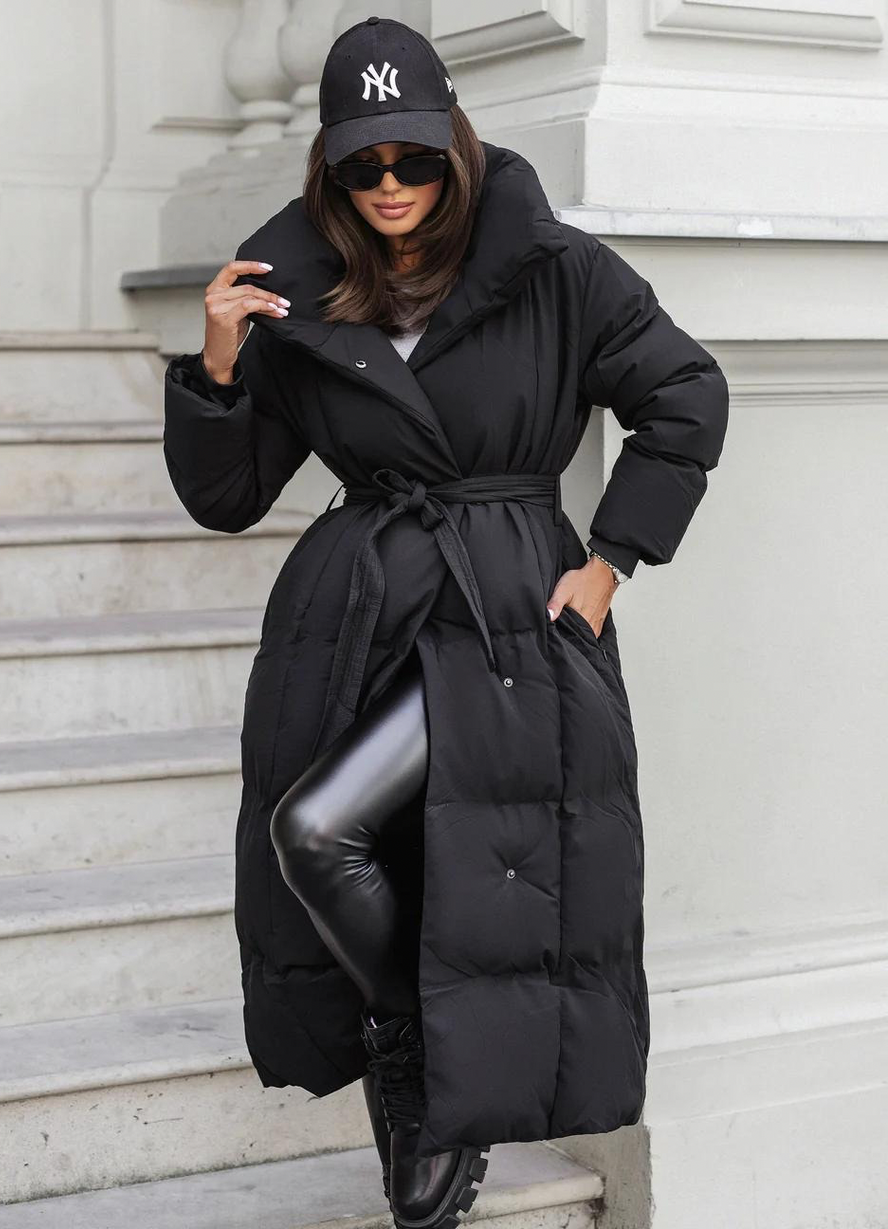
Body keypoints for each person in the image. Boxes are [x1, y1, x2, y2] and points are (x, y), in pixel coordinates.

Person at [163, 16, 729, 1229]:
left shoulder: (555, 267)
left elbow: (684, 393)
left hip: (506, 604)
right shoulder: (294, 291)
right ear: (329, 169)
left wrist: (614, 557)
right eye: (362, 166)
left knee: (321, 827)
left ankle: (420, 1077)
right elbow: (225, 497)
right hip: (358, 600)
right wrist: (215, 366)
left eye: (411, 160)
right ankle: (420, 1062)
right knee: (334, 837)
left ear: (454, 148)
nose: (389, 188)